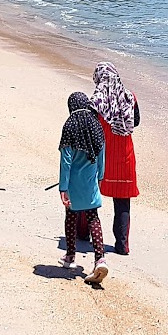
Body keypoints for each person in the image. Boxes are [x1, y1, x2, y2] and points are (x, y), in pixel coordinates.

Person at [58, 92, 109, 285]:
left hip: (73, 182)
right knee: (92, 217)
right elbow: (102, 154)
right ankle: (100, 258)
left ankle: (70, 256)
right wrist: (101, 177)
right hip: (90, 180)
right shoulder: (95, 125)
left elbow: (66, 160)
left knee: (71, 216)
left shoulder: (69, 125)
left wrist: (63, 187)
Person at [90, 62, 140, 255]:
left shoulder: (96, 101)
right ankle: (122, 245)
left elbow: (91, 127)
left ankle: (84, 234)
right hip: (124, 156)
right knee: (122, 202)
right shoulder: (130, 97)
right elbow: (135, 122)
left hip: (101, 154)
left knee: (91, 196)